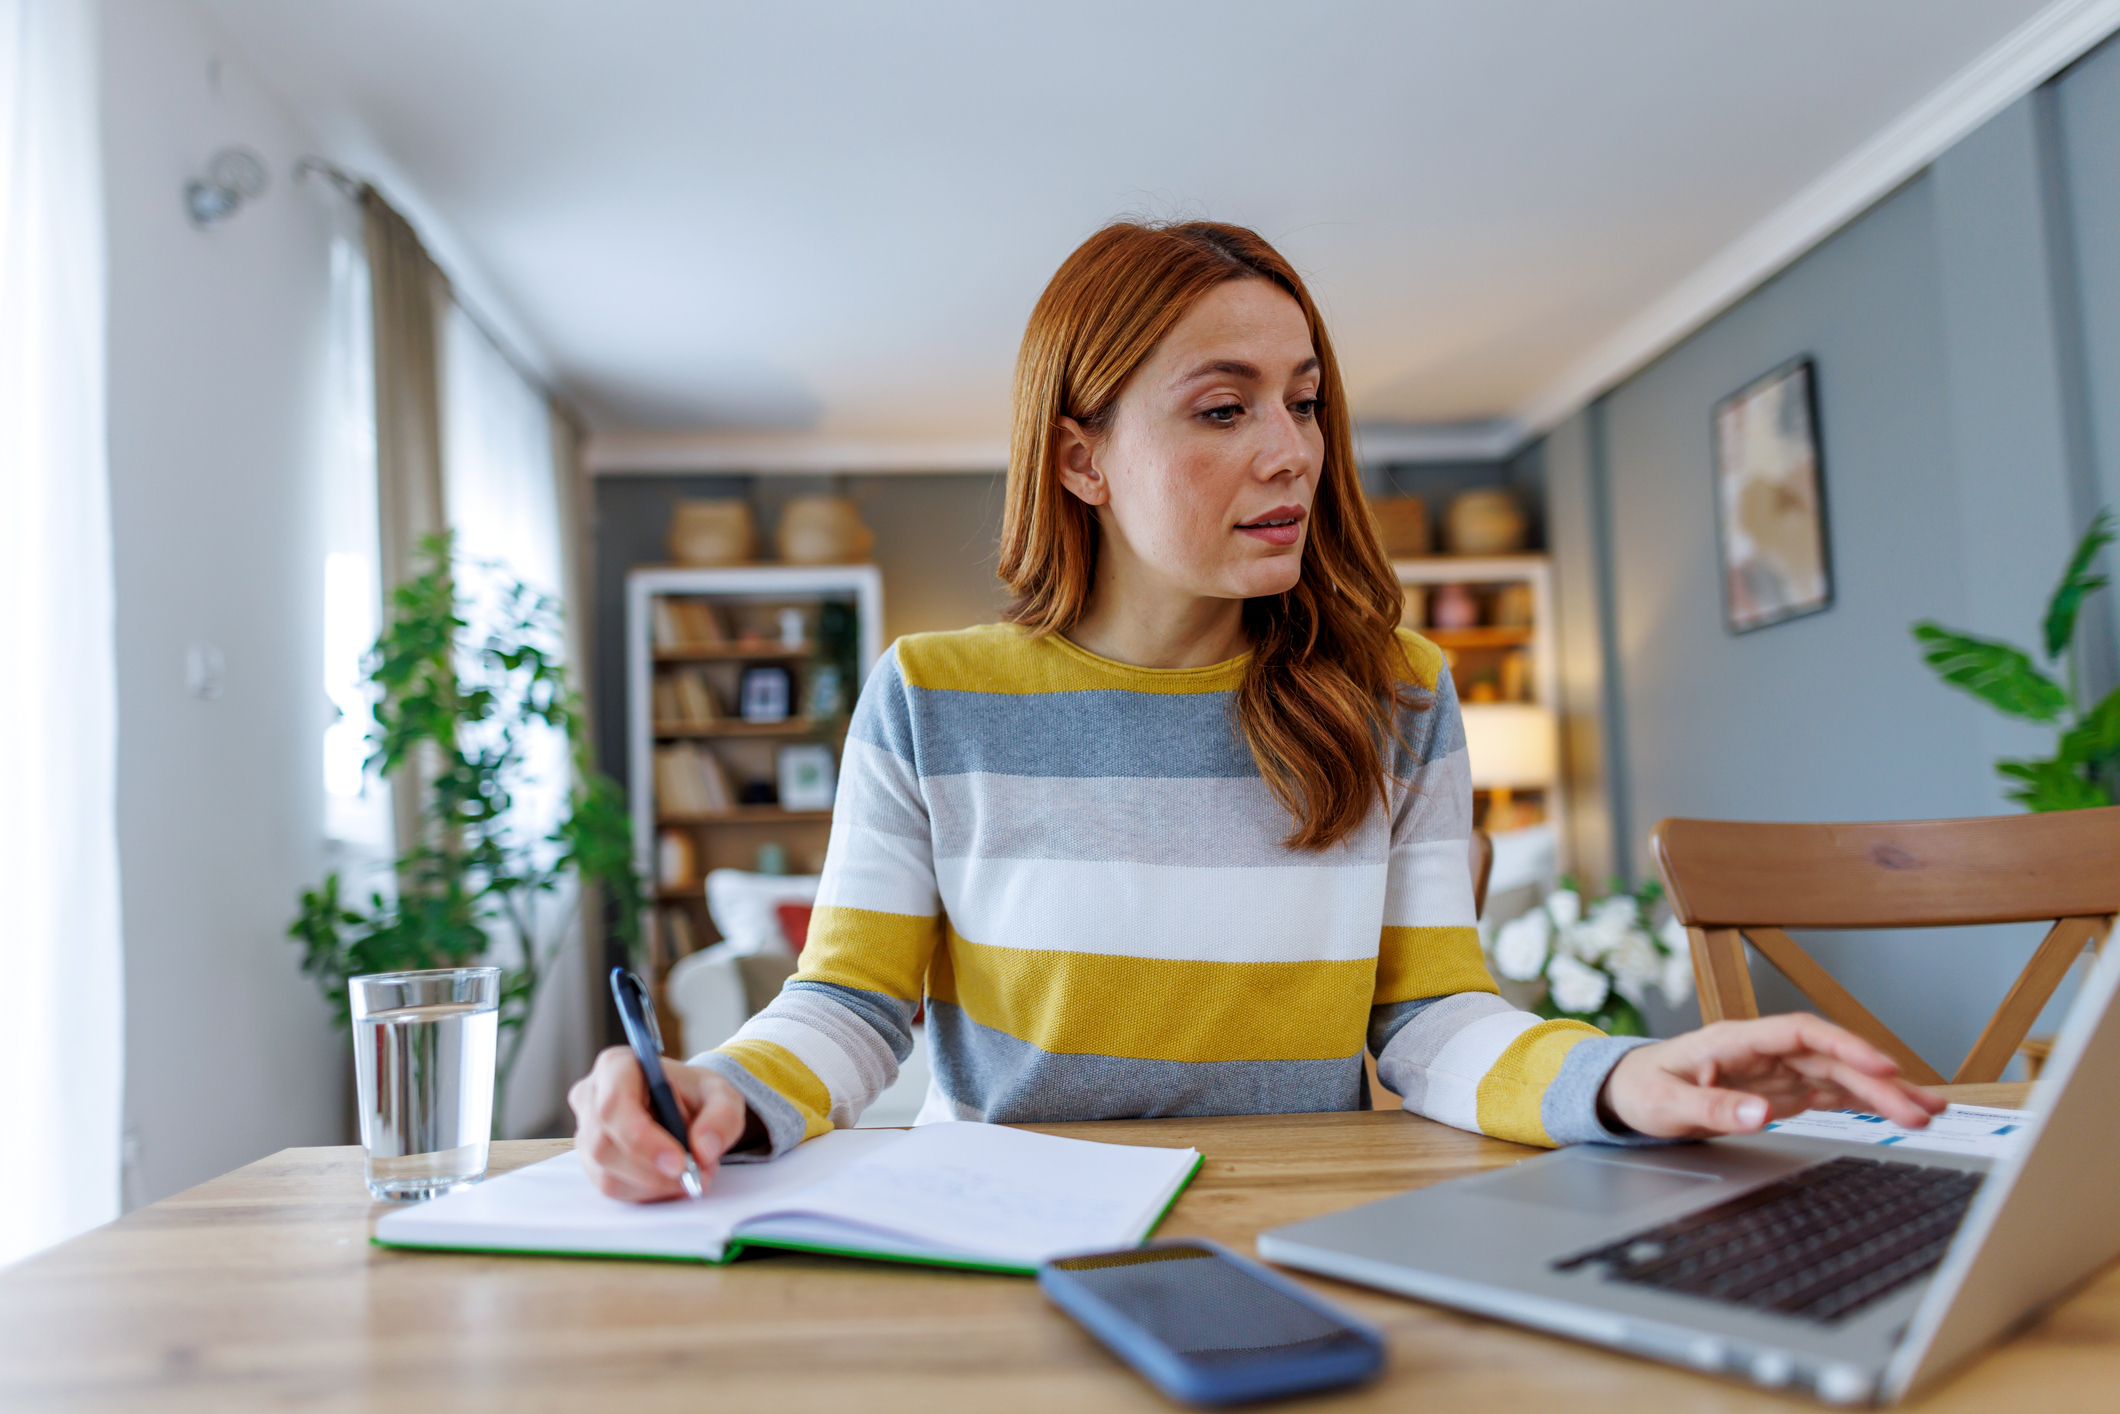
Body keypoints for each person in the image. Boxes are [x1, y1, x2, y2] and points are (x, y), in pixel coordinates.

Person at [571, 221, 1943, 1202]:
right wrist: (721, 1089)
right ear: (1081, 456)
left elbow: (1434, 1019)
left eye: (1302, 402)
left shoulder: (1401, 691)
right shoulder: (935, 693)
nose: (1291, 449)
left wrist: (1626, 1077)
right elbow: (852, 1004)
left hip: (1311, 1224)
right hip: (1002, 1228)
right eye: (1221, 408)